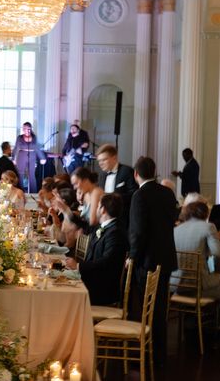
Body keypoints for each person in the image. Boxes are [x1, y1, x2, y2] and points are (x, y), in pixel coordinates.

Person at [128, 156, 178, 364]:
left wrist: (132, 256)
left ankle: (144, 352)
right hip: (165, 258)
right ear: (154, 171)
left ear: (136, 174)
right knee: (159, 308)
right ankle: (158, 353)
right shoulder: (168, 193)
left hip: (147, 260)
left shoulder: (140, 196)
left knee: (143, 307)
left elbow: (138, 232)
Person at [66, 193, 128, 305]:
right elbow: (85, 226)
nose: (96, 209)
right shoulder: (105, 227)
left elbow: (107, 261)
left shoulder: (115, 233)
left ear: (103, 210)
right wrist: (67, 212)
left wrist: (78, 266)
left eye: (98, 206)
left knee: (65, 292)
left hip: (101, 290)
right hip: (93, 281)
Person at [171, 201, 220, 298]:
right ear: (206, 213)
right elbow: (217, 253)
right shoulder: (209, 227)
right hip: (197, 287)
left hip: (175, 285)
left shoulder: (176, 229)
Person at [96, 143, 137, 225]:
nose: (100, 163)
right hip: (105, 219)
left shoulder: (127, 171)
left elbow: (134, 194)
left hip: (123, 219)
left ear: (114, 158)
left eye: (104, 160)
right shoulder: (102, 175)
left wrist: (112, 198)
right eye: (99, 161)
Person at [13, 122, 46, 193]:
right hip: (21, 156)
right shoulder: (20, 137)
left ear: (30, 129)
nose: (27, 131)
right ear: (23, 129)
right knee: (20, 174)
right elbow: (16, 147)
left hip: (32, 156)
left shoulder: (34, 137)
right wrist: (13, 158)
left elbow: (37, 148)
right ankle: (20, 192)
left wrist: (42, 157)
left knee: (32, 175)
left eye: (28, 129)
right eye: (25, 129)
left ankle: (33, 193)